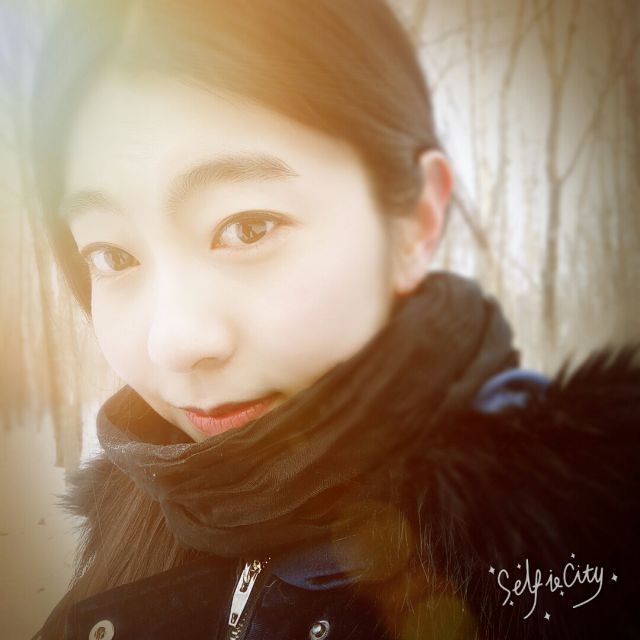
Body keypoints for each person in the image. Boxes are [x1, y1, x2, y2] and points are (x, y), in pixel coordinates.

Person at [30, 1, 639, 639]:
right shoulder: (136, 510)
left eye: (248, 227)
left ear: (415, 221)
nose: (174, 342)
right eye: (113, 256)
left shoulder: (581, 547)